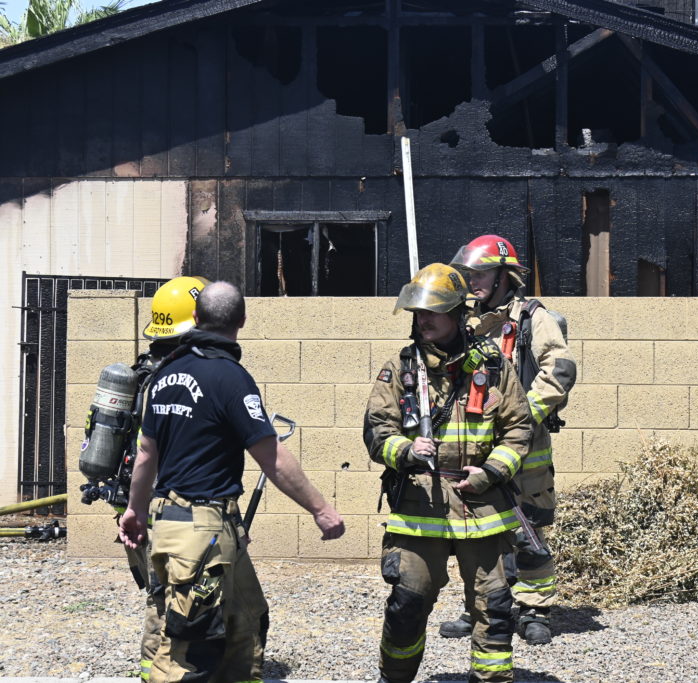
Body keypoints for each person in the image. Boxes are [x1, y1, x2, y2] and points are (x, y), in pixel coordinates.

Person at [119, 281, 345, 683]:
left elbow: (146, 454)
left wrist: (135, 510)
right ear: (243, 320)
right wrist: (321, 509)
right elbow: (271, 456)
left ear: (196, 318)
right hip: (201, 534)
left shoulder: (165, 375)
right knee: (190, 653)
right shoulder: (230, 377)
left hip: (183, 525)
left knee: (246, 617)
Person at [364, 263, 532, 683]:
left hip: (484, 506)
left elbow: (519, 430)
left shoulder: (494, 367)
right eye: (418, 313)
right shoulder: (401, 369)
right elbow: (377, 432)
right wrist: (405, 450)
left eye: (432, 312)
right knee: (407, 606)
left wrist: (490, 471)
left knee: (494, 608)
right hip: (421, 507)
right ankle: (394, 678)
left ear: (458, 313)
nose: (423, 320)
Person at [444, 235, 577, 645]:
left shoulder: (533, 317)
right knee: (477, 529)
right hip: (477, 443)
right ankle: (480, 606)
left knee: (529, 527)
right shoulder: (465, 320)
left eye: (480, 274)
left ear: (504, 275)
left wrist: (521, 415)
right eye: (469, 274)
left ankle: (535, 610)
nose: (472, 282)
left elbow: (560, 370)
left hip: (525, 446)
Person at [83, 275, 208, 681]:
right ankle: (160, 672)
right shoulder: (171, 382)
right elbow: (152, 452)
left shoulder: (143, 373)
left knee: (165, 595)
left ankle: (161, 670)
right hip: (159, 508)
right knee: (169, 598)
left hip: (134, 504)